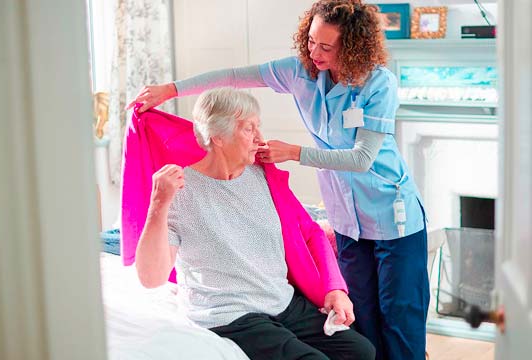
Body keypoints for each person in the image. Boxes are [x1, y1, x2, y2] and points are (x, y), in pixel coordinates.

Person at [128, 1, 429, 359]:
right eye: (312, 41)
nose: (314, 52)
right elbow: (235, 77)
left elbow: (362, 159)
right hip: (347, 219)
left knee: (400, 319)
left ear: (350, 47)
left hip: (390, 212)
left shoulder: (378, 83)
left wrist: (294, 152)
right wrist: (171, 89)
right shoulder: (300, 72)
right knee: (363, 319)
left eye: (326, 47)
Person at [135, 87, 375, 360]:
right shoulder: (181, 191)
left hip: (279, 300)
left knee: (361, 352)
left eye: (258, 127)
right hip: (229, 312)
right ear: (217, 136)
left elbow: (310, 232)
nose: (260, 138)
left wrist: (335, 289)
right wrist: (158, 204)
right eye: (249, 129)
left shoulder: (263, 175)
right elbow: (151, 278)